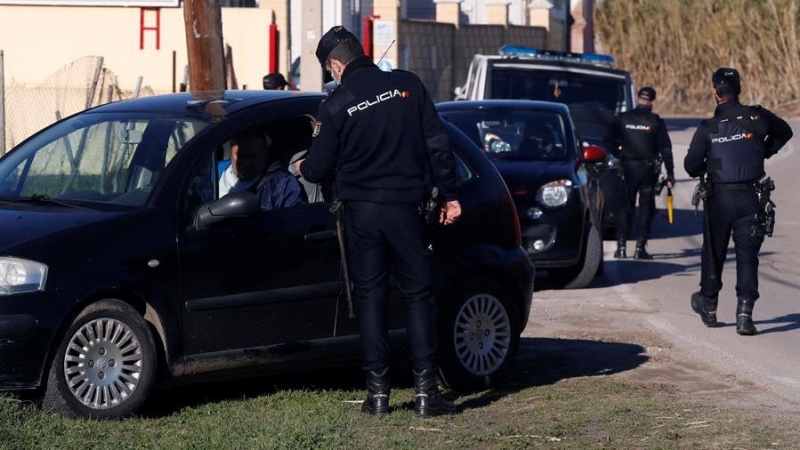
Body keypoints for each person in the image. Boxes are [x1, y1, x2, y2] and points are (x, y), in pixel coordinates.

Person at [294, 26, 462, 417]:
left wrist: (302, 164)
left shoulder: (336, 105)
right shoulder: (408, 86)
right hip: (406, 208)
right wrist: (451, 195)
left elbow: (318, 169)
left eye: (329, 70)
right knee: (418, 295)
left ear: (336, 64)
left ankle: (379, 395)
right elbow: (438, 145)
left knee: (371, 297)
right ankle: (425, 394)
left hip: (362, 213)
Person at [684, 67, 792, 336]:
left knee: (714, 253)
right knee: (747, 256)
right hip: (750, 198)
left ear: (714, 91)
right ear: (739, 90)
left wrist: (712, 163)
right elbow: (785, 132)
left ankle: (709, 305)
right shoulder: (758, 116)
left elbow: (690, 165)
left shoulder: (708, 128)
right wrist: (761, 153)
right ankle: (745, 315)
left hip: (719, 199)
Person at [605, 86, 675, 259]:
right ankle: (639, 249)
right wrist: (670, 173)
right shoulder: (655, 121)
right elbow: (666, 148)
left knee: (624, 207)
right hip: (647, 171)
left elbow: (607, 140)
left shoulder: (622, 118)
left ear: (637, 98)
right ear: (652, 102)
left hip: (627, 169)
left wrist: (619, 153)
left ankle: (621, 248)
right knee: (645, 209)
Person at [220, 130, 306, 210]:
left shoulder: (282, 185)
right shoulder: (214, 171)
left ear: (265, 153)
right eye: (241, 156)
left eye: (252, 157)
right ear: (231, 152)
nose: (246, 163)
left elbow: (294, 221)